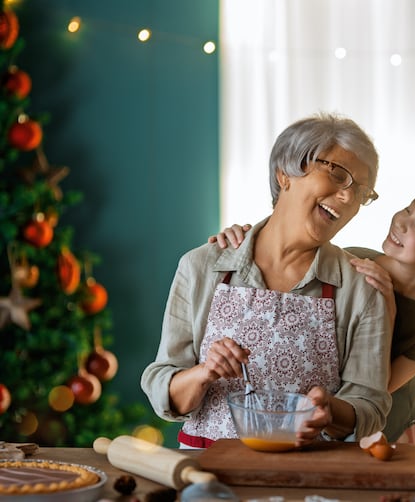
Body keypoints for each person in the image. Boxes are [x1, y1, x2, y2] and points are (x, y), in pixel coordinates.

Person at [141, 112, 393, 449]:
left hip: (309, 476)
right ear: (285, 174)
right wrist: (204, 373)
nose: (348, 198)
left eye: (360, 191)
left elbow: (370, 406)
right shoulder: (202, 266)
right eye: (337, 174)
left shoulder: (361, 288)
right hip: (205, 475)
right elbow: (163, 386)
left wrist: (329, 410)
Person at [212, 184, 415, 442]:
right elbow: (279, 281)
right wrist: (245, 240)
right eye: (409, 208)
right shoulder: (351, 262)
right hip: (323, 414)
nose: (401, 222)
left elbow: (379, 387)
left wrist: (385, 309)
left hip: (389, 430)